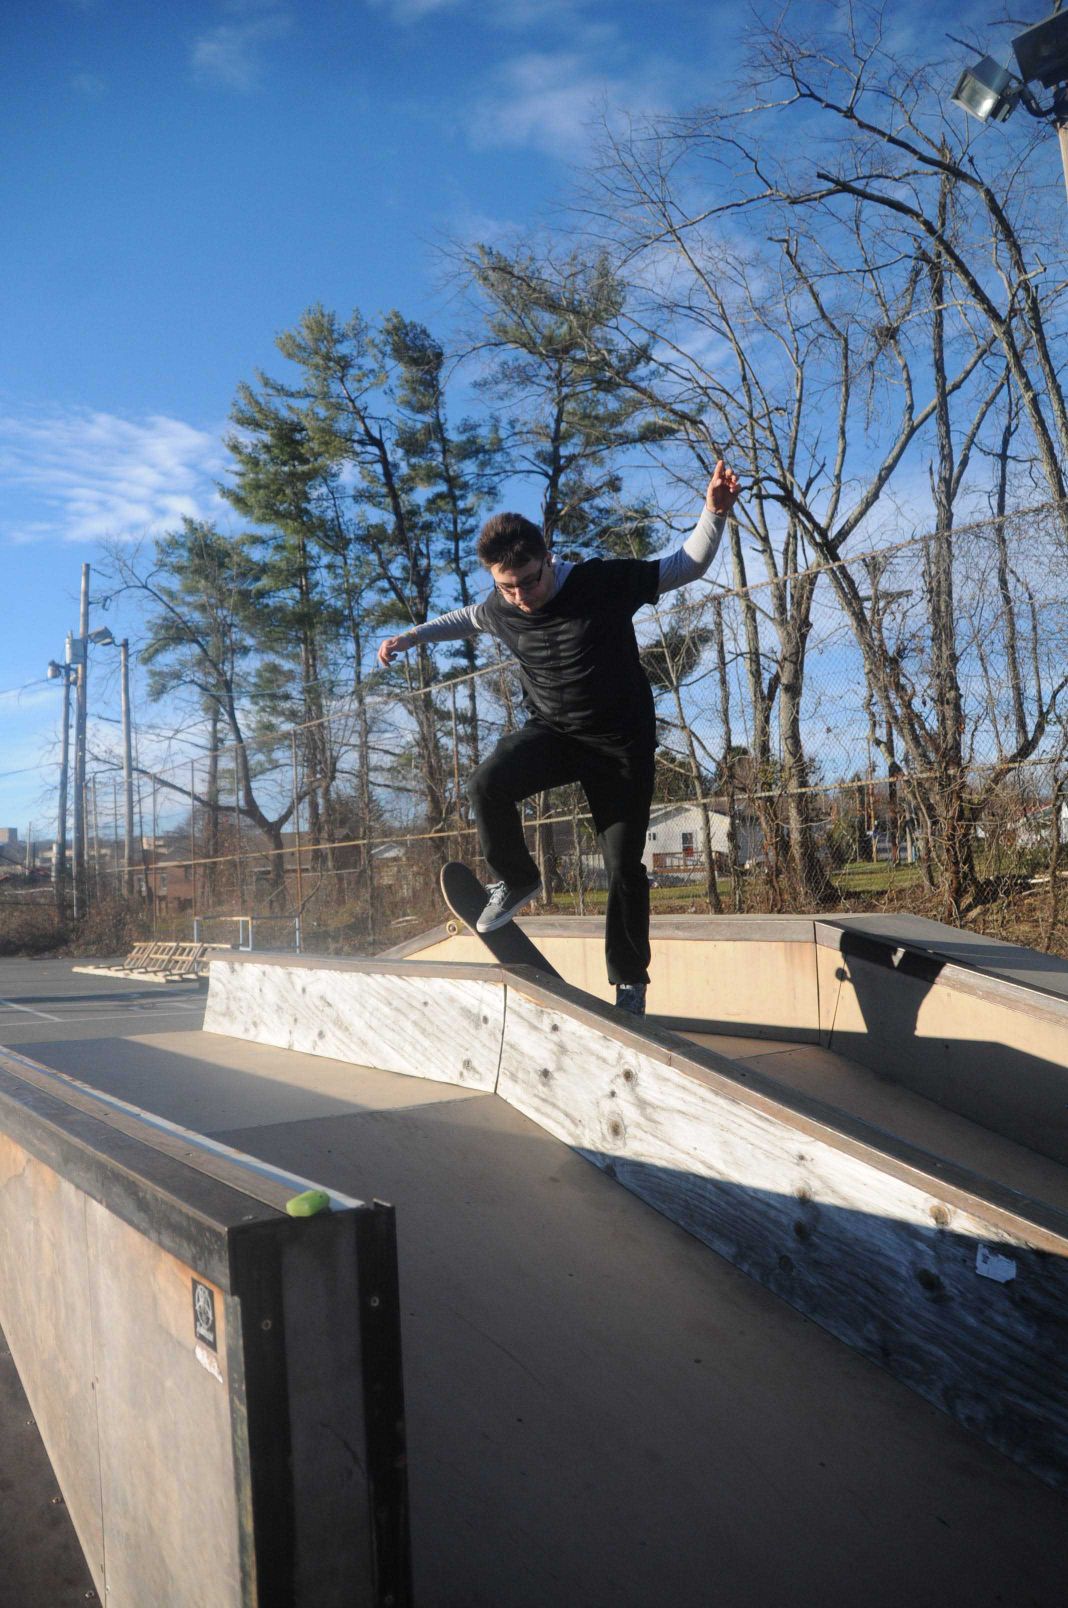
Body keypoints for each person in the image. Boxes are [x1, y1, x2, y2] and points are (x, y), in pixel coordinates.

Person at [378, 461, 742, 1017]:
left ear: (549, 557)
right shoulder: (501, 606)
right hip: (554, 733)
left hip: (620, 746)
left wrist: (713, 511)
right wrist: (413, 636)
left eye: (530, 580)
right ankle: (518, 879)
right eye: (509, 586)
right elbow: (465, 619)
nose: (522, 595)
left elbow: (685, 564)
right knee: (486, 784)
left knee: (623, 866)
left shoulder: (601, 582)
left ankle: (629, 981)